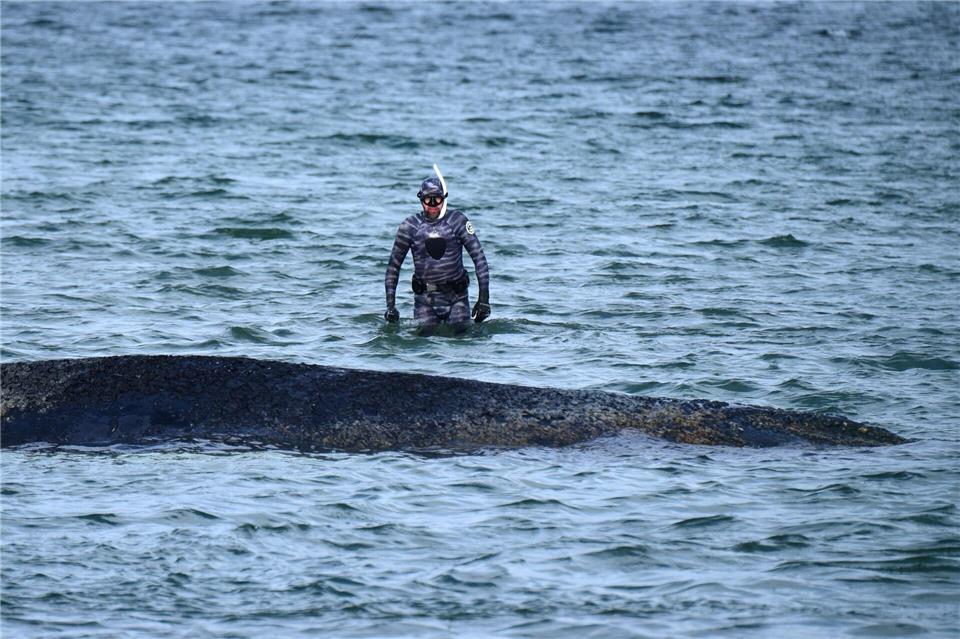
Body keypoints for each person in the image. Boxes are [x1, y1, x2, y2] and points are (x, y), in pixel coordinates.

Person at [384, 167, 490, 334]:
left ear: (444, 199)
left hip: (457, 299)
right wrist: (391, 306)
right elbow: (393, 267)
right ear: (421, 200)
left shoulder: (458, 221)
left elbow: (479, 259)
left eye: (437, 200)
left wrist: (484, 299)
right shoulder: (410, 226)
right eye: (428, 200)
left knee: (462, 338)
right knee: (424, 340)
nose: (433, 205)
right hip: (425, 300)